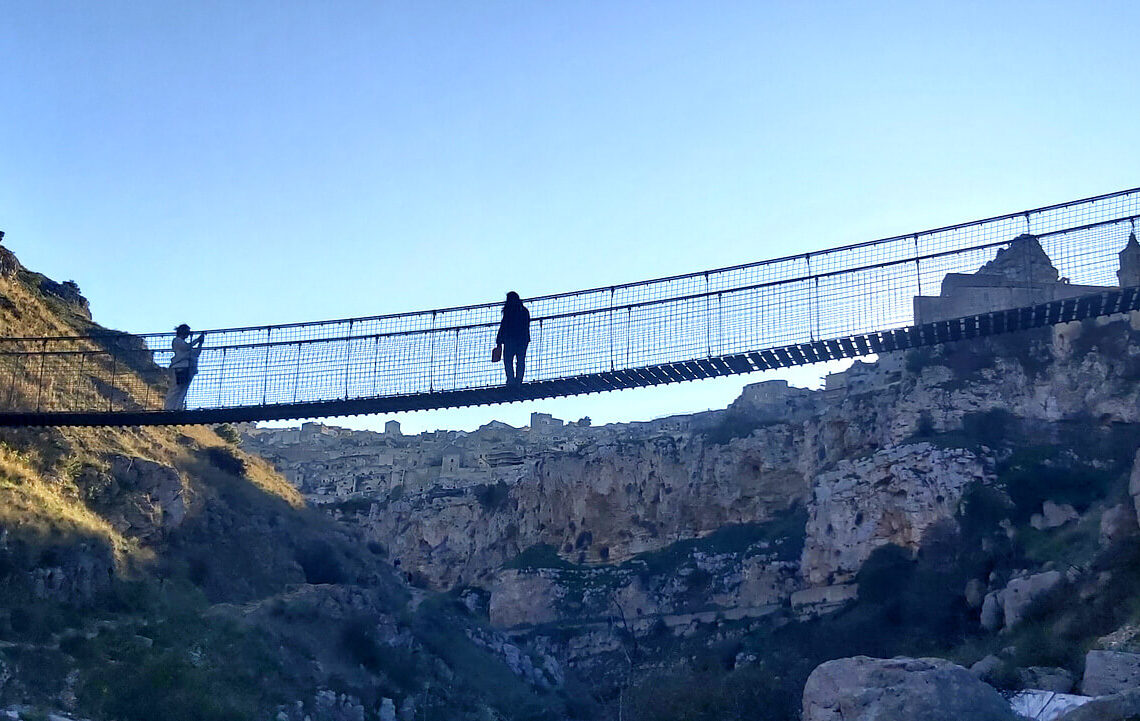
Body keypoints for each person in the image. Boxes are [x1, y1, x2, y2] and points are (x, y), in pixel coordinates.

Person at [164, 324, 206, 410]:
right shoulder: (176, 341)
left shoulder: (184, 345)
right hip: (179, 367)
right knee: (175, 389)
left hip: (187, 368)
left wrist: (200, 344)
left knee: (183, 390)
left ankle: (177, 408)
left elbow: (196, 353)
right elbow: (186, 347)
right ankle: (169, 408)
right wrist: (197, 340)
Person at [495, 291, 530, 385]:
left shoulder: (508, 311)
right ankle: (518, 380)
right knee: (520, 360)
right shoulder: (524, 311)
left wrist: (499, 341)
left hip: (510, 340)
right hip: (522, 340)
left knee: (508, 360)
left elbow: (503, 326)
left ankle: (511, 380)